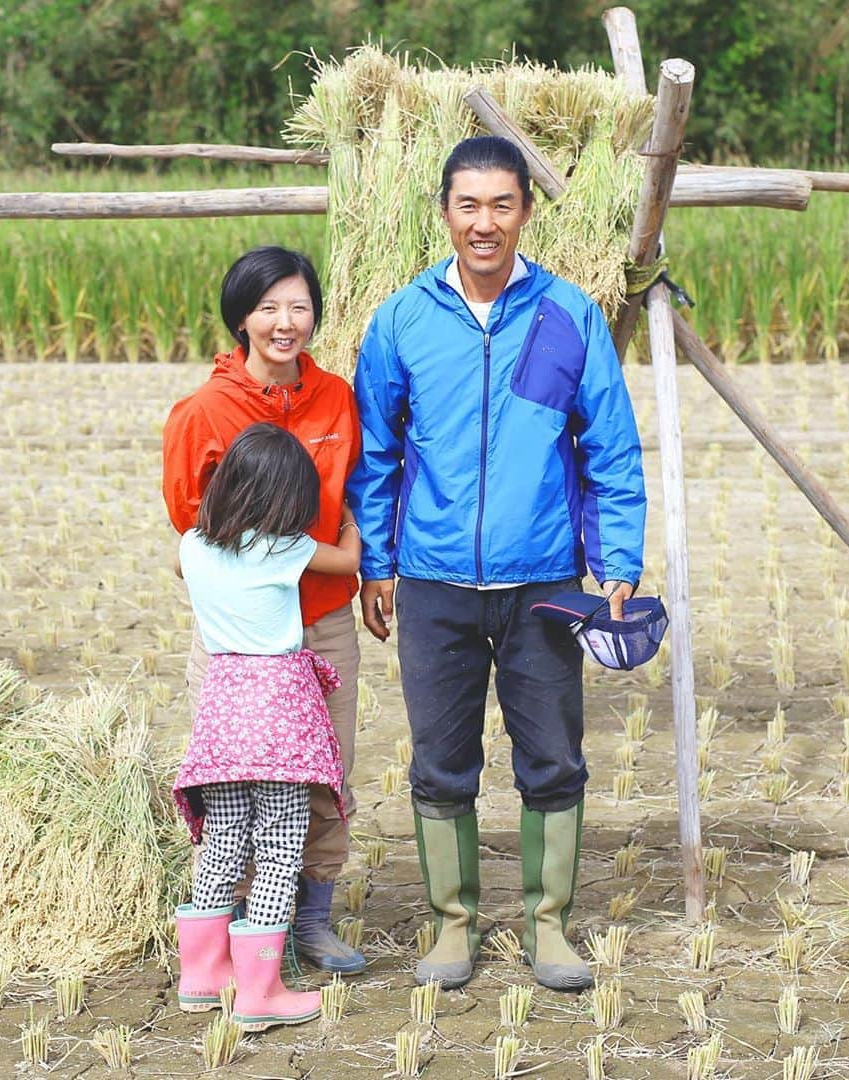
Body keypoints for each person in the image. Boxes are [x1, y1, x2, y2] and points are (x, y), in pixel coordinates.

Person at [347, 136, 646, 992]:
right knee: (441, 761)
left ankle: (549, 926)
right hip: (435, 581)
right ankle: (452, 926)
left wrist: (616, 558)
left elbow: (612, 450)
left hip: (544, 578)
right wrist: (378, 561)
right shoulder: (403, 319)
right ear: (444, 212)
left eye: (501, 204)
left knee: (552, 756)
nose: (485, 222)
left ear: (525, 211)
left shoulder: (568, 316)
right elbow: (377, 454)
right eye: (468, 205)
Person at [162, 246, 365, 974]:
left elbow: (360, 490)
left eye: (300, 307)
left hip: (324, 624)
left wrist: (373, 576)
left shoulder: (337, 397)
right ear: (241, 318)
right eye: (268, 308)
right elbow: (190, 522)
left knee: (326, 774)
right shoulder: (203, 411)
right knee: (238, 789)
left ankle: (312, 918)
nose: (286, 323)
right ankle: (250, 927)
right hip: (239, 648)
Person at [172, 422, 361, 1031]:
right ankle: (261, 993)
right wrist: (350, 518)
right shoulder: (286, 548)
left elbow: (187, 572)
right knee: (280, 846)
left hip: (223, 710)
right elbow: (348, 560)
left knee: (224, 838)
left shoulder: (193, 547)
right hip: (278, 709)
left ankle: (202, 978)